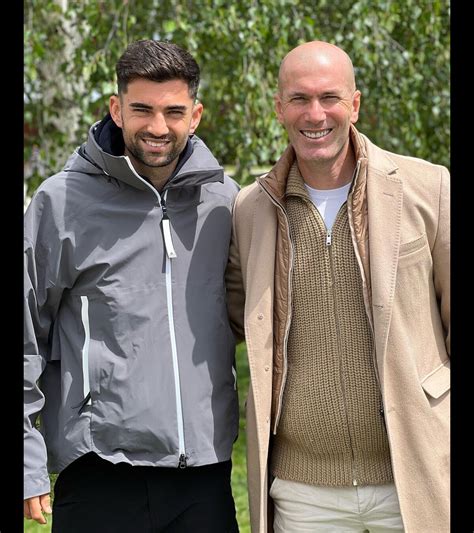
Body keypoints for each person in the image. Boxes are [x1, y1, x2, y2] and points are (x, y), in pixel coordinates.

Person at [226, 40, 449, 532]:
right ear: (279, 107)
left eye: (329, 97)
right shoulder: (251, 209)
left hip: (411, 475)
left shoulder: (428, 188)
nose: (315, 114)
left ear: (355, 103)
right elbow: (230, 322)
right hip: (304, 496)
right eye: (299, 99)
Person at [24, 39, 240, 532]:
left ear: (196, 115)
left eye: (173, 111)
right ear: (116, 109)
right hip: (100, 470)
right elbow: (24, 334)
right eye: (142, 109)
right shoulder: (60, 202)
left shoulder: (223, 202)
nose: (158, 127)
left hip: (204, 476)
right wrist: (26, 457)